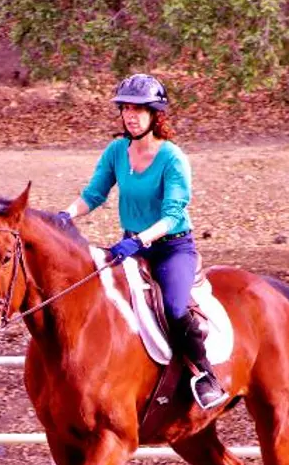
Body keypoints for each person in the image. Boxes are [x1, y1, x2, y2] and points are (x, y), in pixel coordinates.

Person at [58, 73, 228, 410]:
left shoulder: (173, 158)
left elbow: (172, 215)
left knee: (176, 309)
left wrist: (139, 240)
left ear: (155, 116)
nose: (130, 116)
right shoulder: (116, 151)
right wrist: (64, 216)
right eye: (125, 109)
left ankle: (203, 373)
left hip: (171, 248)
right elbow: (93, 195)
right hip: (130, 247)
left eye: (139, 109)